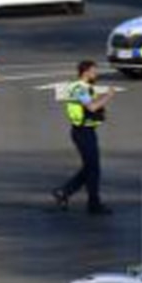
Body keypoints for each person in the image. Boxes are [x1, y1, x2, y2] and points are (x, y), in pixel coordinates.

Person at [53, 60, 114, 215]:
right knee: (93, 169)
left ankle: (64, 192)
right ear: (85, 72)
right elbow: (91, 106)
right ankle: (93, 204)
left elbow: (93, 108)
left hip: (87, 131)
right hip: (82, 132)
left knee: (90, 168)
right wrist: (108, 96)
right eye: (94, 71)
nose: (96, 74)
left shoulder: (84, 88)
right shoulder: (79, 88)